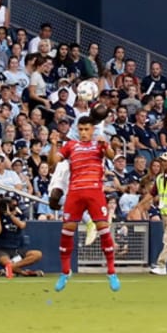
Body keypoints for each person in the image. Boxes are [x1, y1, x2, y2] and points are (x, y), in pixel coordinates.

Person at [50, 105, 120, 292]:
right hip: (75, 192)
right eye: (80, 129)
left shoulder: (99, 144)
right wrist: (54, 144)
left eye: (86, 129)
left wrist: (105, 144)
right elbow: (53, 163)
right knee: (67, 231)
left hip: (95, 192)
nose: (83, 132)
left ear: (92, 129)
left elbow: (112, 155)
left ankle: (111, 272)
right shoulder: (71, 146)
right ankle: (65, 272)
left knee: (104, 230)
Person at [0, 194, 43, 276]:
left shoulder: (20, 215)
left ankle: (10, 268)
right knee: (6, 261)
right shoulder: (0, 215)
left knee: (37, 254)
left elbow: (22, 225)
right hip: (1, 249)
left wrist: (10, 215)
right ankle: (24, 273)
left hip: (16, 249)